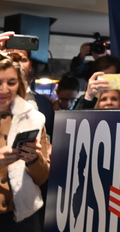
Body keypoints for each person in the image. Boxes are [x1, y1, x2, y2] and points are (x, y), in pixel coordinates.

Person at [0, 52, 50, 231]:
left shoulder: (34, 119)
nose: (4, 89)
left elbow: (42, 177)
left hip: (22, 218)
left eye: (11, 83)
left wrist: (34, 160)